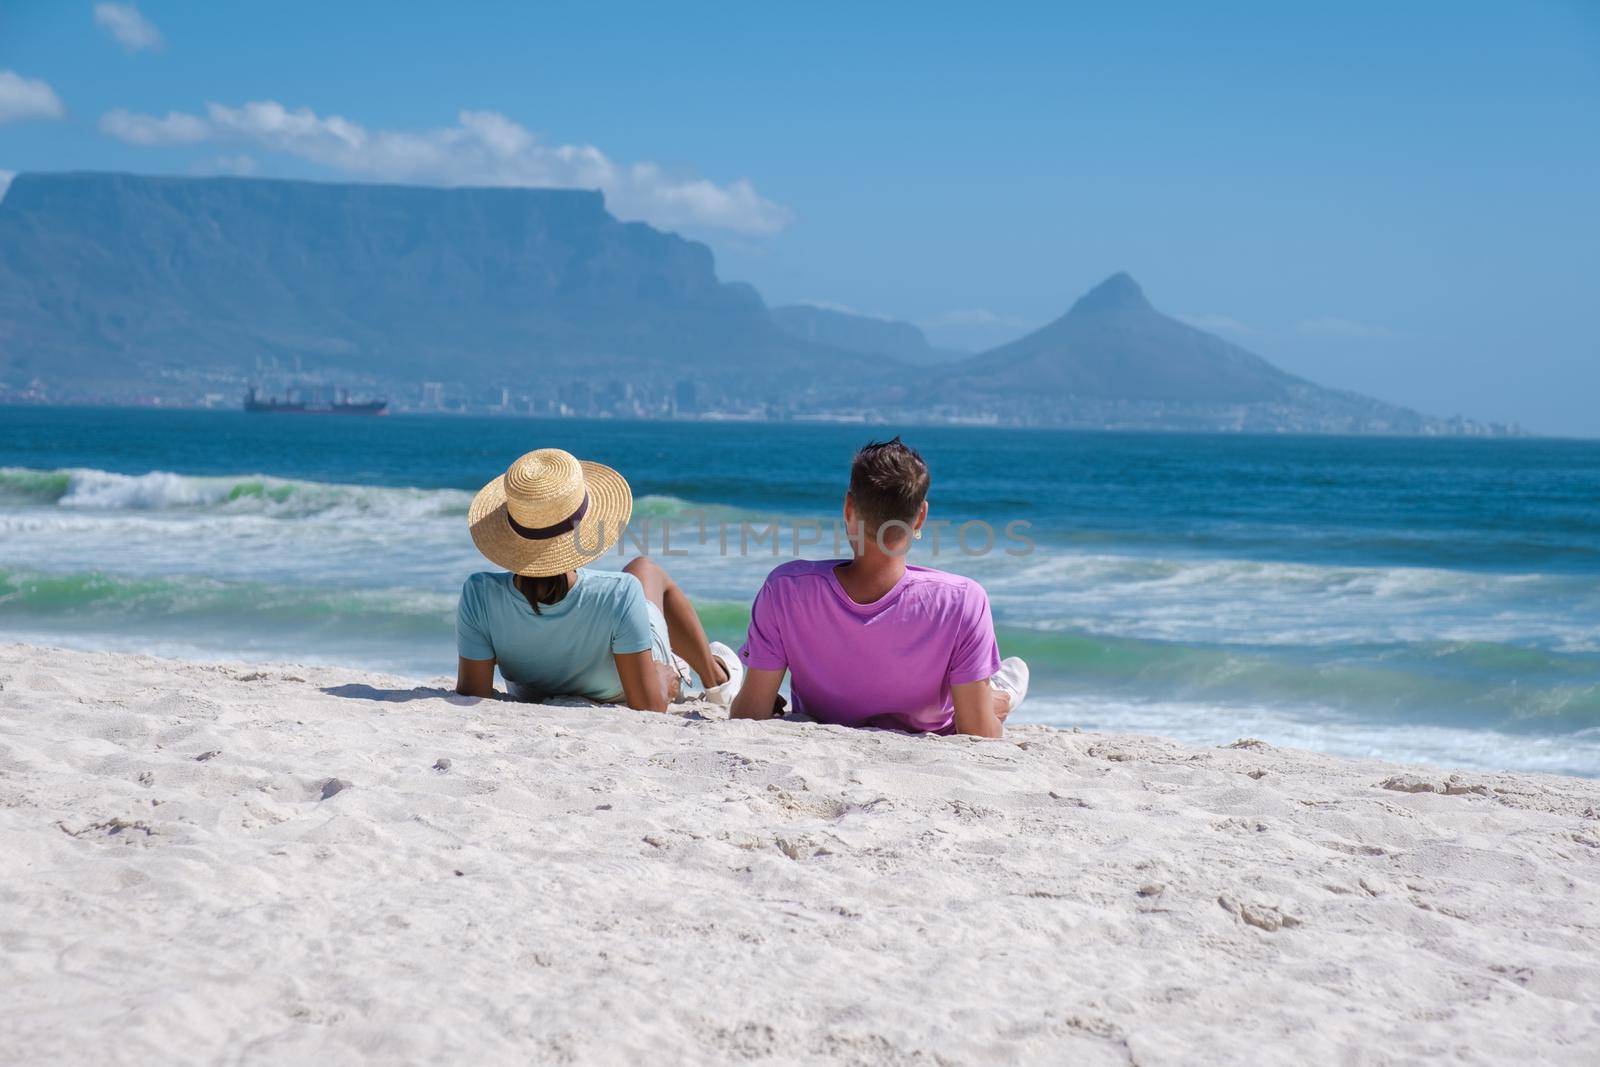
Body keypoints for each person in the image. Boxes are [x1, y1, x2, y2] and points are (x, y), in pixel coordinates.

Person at [730, 437, 1028, 737]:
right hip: (935, 728)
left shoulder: (786, 589)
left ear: (848, 508)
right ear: (920, 517)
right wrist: (993, 713)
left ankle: (995, 694)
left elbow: (749, 715)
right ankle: (1000, 696)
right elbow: (978, 732)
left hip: (824, 721)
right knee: (987, 703)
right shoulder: (963, 600)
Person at [454, 447, 742, 711]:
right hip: (627, 682)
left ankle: (709, 671)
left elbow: (473, 692)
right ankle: (717, 677)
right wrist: (663, 679)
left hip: (534, 690)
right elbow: (649, 706)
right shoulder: (618, 593)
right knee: (644, 568)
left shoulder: (479, 594)